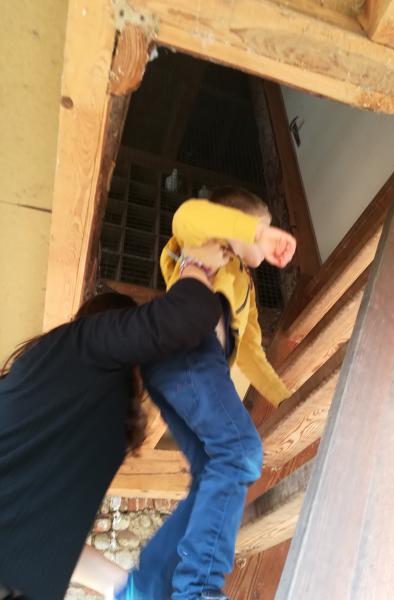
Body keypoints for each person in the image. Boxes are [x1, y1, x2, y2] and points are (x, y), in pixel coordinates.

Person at [0, 258, 226, 600]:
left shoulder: (73, 406)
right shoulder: (86, 344)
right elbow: (190, 314)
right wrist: (195, 261)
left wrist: (125, 587)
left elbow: (41, 538)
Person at [117, 187, 296, 600]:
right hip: (186, 351)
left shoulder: (245, 287)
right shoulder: (200, 243)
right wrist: (256, 232)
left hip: (190, 368)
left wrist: (286, 398)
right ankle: (197, 589)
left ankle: (146, 586)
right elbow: (188, 214)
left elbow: (251, 355)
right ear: (234, 223)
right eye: (259, 228)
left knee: (210, 474)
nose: (264, 239)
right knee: (240, 452)